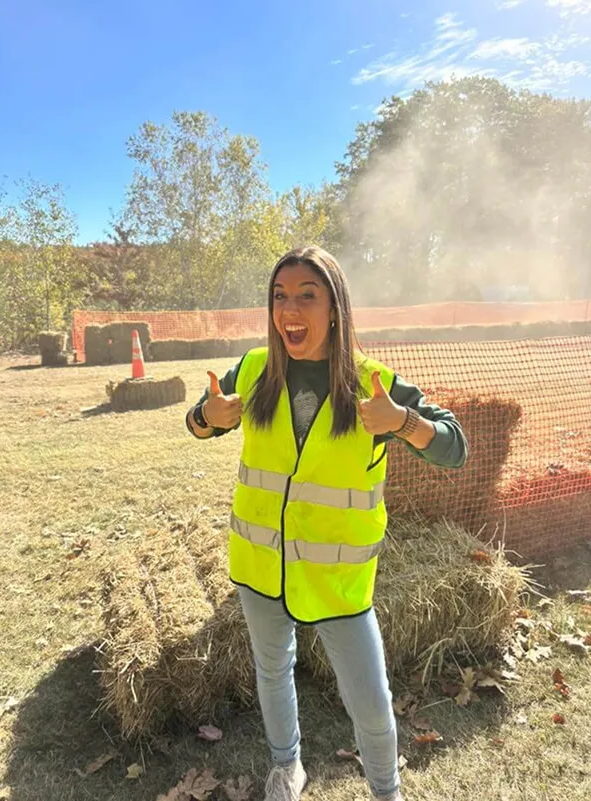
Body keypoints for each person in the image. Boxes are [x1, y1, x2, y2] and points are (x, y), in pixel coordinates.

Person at [186, 246, 468, 801]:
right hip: (261, 568)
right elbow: (200, 421)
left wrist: (404, 422)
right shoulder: (253, 368)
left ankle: (386, 791)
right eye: (279, 296)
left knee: (370, 700)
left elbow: (455, 447)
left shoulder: (373, 383)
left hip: (339, 583)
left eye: (306, 296)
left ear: (335, 307)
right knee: (273, 673)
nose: (290, 309)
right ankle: (287, 768)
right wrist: (204, 418)